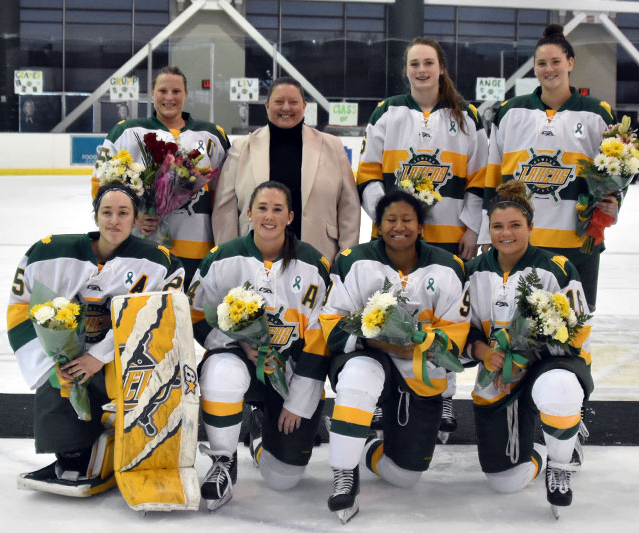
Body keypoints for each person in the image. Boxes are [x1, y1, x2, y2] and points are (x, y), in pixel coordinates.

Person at [7, 181, 185, 496]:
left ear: (135, 219)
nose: (114, 220)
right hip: (74, 357)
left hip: (126, 358)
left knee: (126, 377)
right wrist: (54, 362)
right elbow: (22, 309)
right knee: (62, 377)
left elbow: (159, 320)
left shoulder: (160, 264)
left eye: (123, 213)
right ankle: (72, 451)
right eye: (107, 212)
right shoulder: (50, 254)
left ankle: (133, 442)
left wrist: (98, 356)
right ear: (95, 216)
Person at [356, 37, 488, 435]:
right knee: (388, 309)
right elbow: (368, 174)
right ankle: (382, 395)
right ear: (406, 69)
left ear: (441, 67)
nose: (421, 70)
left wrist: (470, 226)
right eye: (414, 63)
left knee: (443, 319)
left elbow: (480, 177)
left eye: (428, 62)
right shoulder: (388, 111)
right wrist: (385, 218)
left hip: (449, 238)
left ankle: (445, 394)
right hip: (395, 237)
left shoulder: (467, 115)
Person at [319, 190, 472, 523]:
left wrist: (418, 341)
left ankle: (367, 446)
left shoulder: (447, 267)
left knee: (406, 475)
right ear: (377, 226)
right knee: (359, 376)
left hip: (419, 373)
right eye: (390, 219)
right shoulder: (353, 260)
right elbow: (331, 326)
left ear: (421, 228)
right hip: (370, 357)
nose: (398, 227)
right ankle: (344, 472)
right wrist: (383, 343)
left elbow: (457, 334)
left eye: (407, 220)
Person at [190, 181, 331, 511]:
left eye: (278, 209)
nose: (269, 216)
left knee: (283, 478)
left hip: (290, 373)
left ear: (290, 217)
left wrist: (298, 402)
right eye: (262, 208)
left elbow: (320, 339)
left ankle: (257, 435)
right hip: (239, 361)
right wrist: (236, 342)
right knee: (220, 371)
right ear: (249, 214)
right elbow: (195, 315)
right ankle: (223, 462)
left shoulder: (314, 265)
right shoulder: (221, 258)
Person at [465, 180, 593, 515]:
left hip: (549, 365)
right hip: (496, 373)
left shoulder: (558, 268)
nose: (506, 234)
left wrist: (524, 360)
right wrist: (484, 354)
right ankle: (539, 446)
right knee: (504, 481)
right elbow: (461, 330)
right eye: (497, 226)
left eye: (515, 226)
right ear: (488, 229)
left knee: (560, 388)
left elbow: (577, 331)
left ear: (531, 227)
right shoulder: (472, 272)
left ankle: (560, 459)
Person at [483, 24, 617, 313]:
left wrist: (613, 203)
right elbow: (492, 174)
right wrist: (486, 233)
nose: (549, 69)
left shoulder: (597, 114)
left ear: (570, 63)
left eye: (556, 61)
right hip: (519, 244)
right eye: (541, 63)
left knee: (571, 329)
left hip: (578, 245)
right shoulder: (510, 112)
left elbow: (615, 172)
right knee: (516, 324)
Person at [93, 66, 230, 286]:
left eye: (176, 91)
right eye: (162, 90)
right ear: (152, 93)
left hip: (197, 244)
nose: (169, 97)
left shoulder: (213, 135)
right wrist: (134, 217)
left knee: (189, 313)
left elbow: (223, 197)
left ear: (186, 94)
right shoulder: (126, 132)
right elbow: (101, 188)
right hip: (139, 242)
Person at [212, 76, 360, 264]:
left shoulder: (332, 146)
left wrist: (346, 258)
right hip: (252, 261)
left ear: (304, 106)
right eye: (279, 102)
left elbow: (350, 207)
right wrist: (228, 258)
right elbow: (224, 210)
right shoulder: (242, 148)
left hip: (320, 255)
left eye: (293, 102)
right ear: (267, 106)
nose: (286, 108)